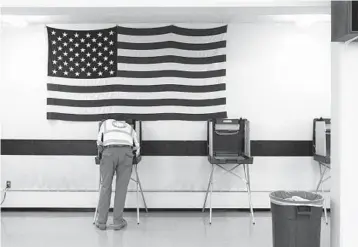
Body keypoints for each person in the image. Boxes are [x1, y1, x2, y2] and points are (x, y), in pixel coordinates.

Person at [95, 119, 140, 231]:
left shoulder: (105, 124)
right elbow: (137, 147)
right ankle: (117, 222)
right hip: (126, 153)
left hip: (109, 152)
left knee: (106, 186)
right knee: (121, 188)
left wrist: (102, 155)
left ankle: (101, 222)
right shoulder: (130, 128)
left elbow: (99, 143)